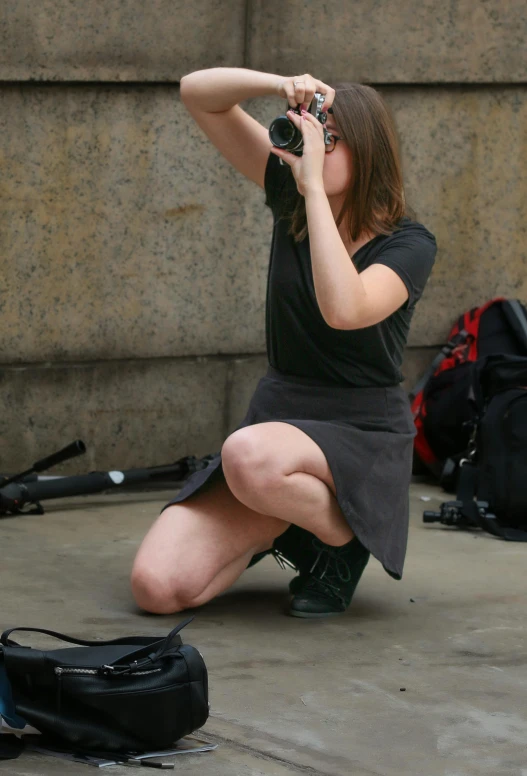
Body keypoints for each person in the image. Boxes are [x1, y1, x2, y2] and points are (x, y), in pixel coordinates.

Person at [131, 67, 437, 618]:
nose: (314, 147)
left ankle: (342, 541)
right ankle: (288, 523)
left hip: (359, 431)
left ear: (367, 151)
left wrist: (314, 187)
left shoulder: (409, 244)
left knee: (247, 455)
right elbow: (197, 93)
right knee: (156, 587)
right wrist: (281, 84)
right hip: (277, 424)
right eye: (312, 131)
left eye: (332, 139)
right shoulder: (291, 190)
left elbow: (345, 310)